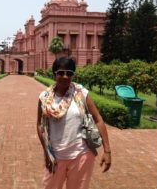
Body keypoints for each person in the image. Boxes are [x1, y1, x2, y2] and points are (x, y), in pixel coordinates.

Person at [37, 57, 111, 189]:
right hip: (55, 156)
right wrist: (46, 153)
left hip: (81, 155)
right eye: (61, 72)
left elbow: (98, 119)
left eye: (69, 73)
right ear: (54, 74)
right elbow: (39, 125)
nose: (65, 76)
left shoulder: (80, 93)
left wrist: (107, 151)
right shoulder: (44, 97)